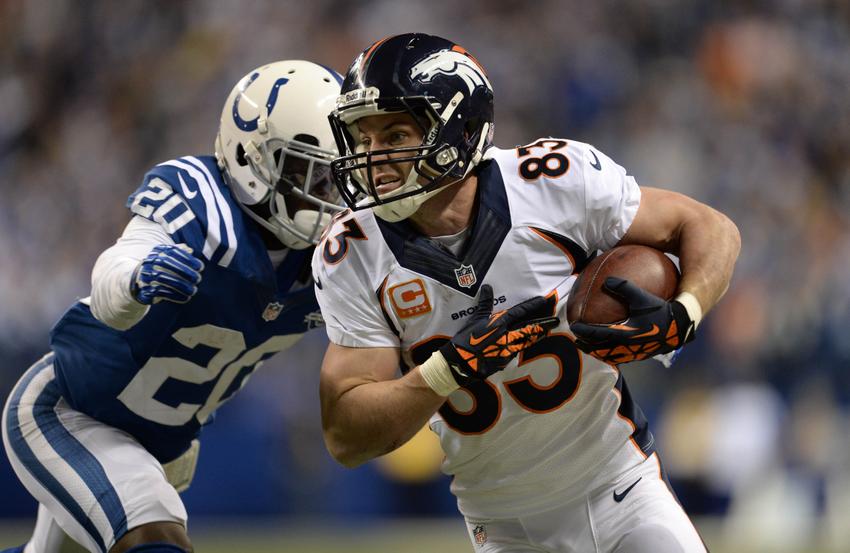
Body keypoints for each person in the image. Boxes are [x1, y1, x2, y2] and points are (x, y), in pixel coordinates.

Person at [313, 33, 741, 553]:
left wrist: (686, 310)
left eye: (395, 134)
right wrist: (447, 370)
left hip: (621, 487)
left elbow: (708, 226)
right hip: (501, 524)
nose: (374, 157)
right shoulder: (353, 252)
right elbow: (347, 436)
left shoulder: (551, 181)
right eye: (364, 139)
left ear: (461, 128)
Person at [1, 60, 343, 553]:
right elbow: (113, 276)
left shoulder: (333, 258)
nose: (326, 196)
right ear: (250, 158)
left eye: (334, 177)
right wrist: (138, 280)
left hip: (157, 439)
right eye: (306, 172)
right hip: (72, 409)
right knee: (155, 533)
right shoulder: (201, 205)